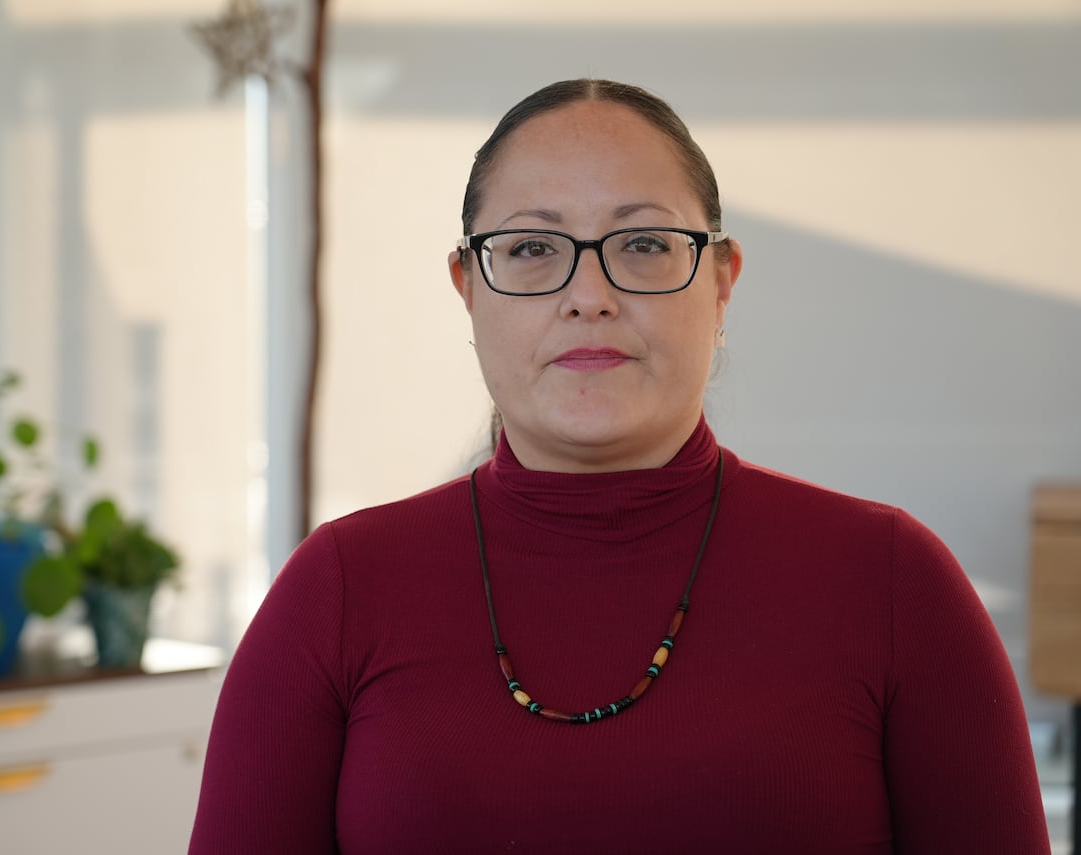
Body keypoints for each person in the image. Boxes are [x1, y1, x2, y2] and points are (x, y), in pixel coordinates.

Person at [188, 79, 1050, 854]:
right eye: (530, 248)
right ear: (467, 287)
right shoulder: (337, 590)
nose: (588, 294)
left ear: (720, 282)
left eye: (642, 244)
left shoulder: (893, 581)